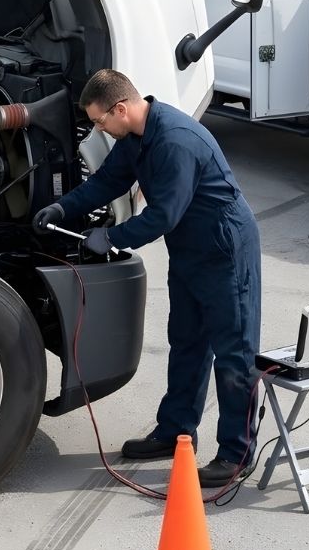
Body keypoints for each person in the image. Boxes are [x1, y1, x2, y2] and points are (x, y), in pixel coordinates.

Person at [33, 69, 262, 488]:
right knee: (187, 341)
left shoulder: (175, 141)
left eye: (100, 120)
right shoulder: (135, 137)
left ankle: (236, 452)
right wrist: (63, 209)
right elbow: (108, 181)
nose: (99, 127)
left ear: (121, 108)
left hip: (224, 249)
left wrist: (113, 237)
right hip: (191, 249)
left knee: (234, 350)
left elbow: (162, 216)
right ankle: (175, 431)